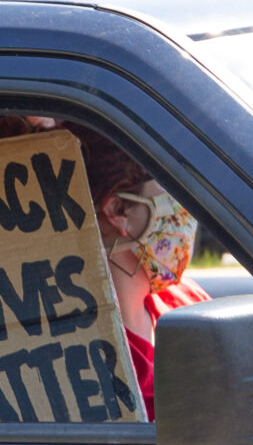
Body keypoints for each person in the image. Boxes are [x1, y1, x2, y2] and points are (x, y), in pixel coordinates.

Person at [88, 140, 210, 417]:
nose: (183, 208)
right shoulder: (94, 356)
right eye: (169, 189)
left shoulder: (189, 299)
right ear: (118, 211)